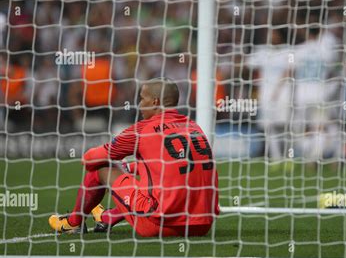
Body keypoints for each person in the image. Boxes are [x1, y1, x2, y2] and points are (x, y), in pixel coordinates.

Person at [49, 77, 219, 237]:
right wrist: (130, 167)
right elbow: (170, 165)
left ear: (155, 102)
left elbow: (89, 159)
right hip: (202, 225)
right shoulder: (194, 127)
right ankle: (108, 217)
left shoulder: (142, 130)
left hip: (161, 225)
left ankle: (74, 222)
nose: (139, 105)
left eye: (141, 99)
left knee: (100, 168)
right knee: (153, 185)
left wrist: (115, 161)